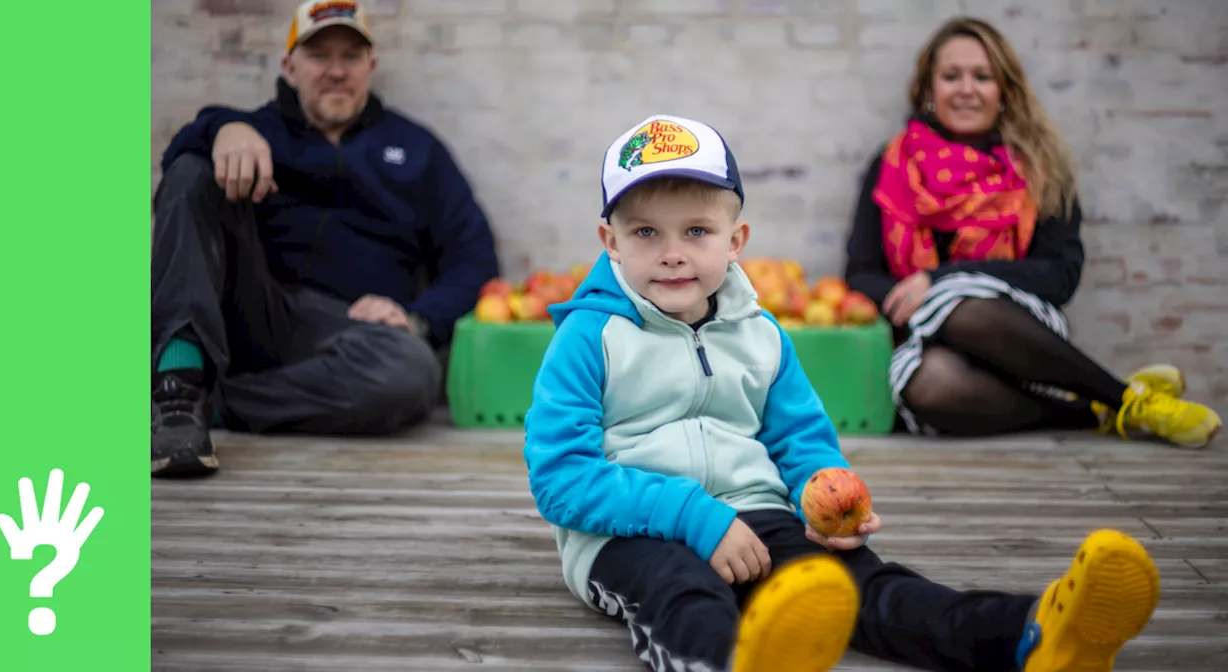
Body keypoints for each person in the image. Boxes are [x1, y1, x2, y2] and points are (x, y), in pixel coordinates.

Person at [523, 113, 1161, 672]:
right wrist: (694, 516)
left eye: (696, 231)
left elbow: (800, 439)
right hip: (632, 535)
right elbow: (562, 478)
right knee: (683, 592)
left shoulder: (761, 334)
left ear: (735, 242)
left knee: (862, 586)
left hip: (759, 516)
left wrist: (823, 492)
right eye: (644, 234)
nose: (672, 254)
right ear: (609, 243)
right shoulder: (588, 337)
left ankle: (1034, 634)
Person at [151, 0, 499, 477]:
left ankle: (214, 404)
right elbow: (175, 185)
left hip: (352, 332)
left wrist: (418, 319)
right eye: (319, 56)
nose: (336, 71)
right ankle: (177, 390)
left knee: (411, 371)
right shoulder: (255, 131)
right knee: (193, 170)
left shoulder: (417, 150)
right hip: (257, 311)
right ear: (289, 66)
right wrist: (220, 128)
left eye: (350, 56)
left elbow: (474, 258)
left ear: (370, 66)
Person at [844, 16, 1221, 448]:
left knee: (963, 303)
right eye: (951, 76)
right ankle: (1093, 410)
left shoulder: (1039, 167)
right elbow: (860, 274)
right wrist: (923, 298)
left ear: (1003, 89)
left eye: (982, 77)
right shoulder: (893, 165)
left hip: (1019, 338)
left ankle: (1126, 398)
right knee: (929, 385)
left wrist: (941, 280)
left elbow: (1061, 275)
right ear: (929, 90)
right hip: (921, 341)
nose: (966, 88)